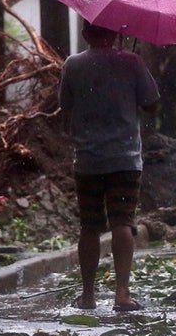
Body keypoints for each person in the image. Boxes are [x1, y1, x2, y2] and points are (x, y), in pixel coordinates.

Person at [59, 22, 160, 312]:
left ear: (85, 35)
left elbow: (65, 105)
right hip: (125, 159)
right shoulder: (132, 61)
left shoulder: (73, 65)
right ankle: (122, 293)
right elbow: (152, 103)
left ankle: (88, 295)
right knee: (122, 223)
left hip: (88, 159)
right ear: (115, 34)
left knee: (89, 226)